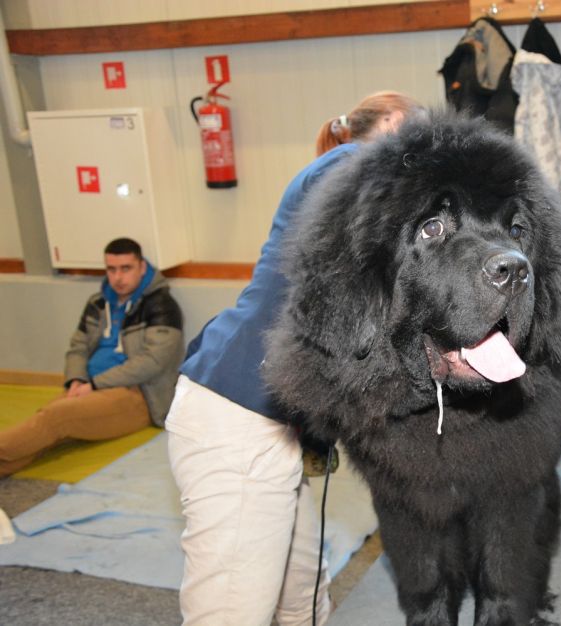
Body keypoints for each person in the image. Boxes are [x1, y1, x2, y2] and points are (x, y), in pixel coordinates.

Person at [164, 91, 424, 626]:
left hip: (275, 431)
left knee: (301, 596)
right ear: (394, 122)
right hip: (235, 421)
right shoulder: (345, 165)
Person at [0, 237, 183, 476]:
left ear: (142, 267)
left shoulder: (162, 306)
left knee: (55, 418)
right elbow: (78, 347)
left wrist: (95, 384)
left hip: (139, 395)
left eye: (126, 268)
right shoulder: (97, 303)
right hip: (89, 387)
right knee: (45, 428)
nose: (118, 277)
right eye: (111, 269)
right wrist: (76, 379)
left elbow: (152, 363)